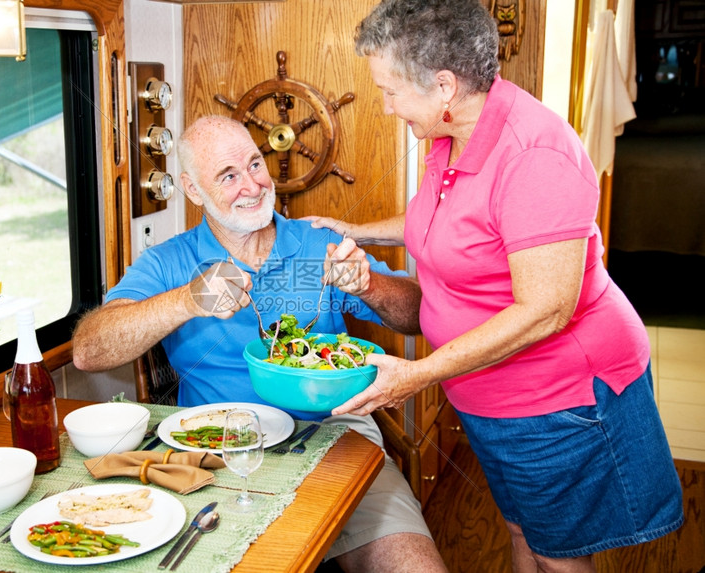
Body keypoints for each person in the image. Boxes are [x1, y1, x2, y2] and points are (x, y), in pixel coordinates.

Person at [305, 1, 684, 572]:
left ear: (443, 86)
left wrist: (418, 375)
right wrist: (356, 229)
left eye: (389, 90)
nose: (383, 106)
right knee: (520, 530)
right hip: (491, 396)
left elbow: (545, 312)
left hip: (559, 399)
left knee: (558, 554)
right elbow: (450, 222)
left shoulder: (534, 156)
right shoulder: (451, 134)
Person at [72, 115, 449, 572]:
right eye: (228, 177)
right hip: (218, 453)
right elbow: (89, 351)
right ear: (194, 191)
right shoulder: (169, 261)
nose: (251, 185)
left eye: (254, 164)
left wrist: (369, 286)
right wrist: (187, 300)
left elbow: (418, 315)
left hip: (339, 438)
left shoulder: (319, 243)